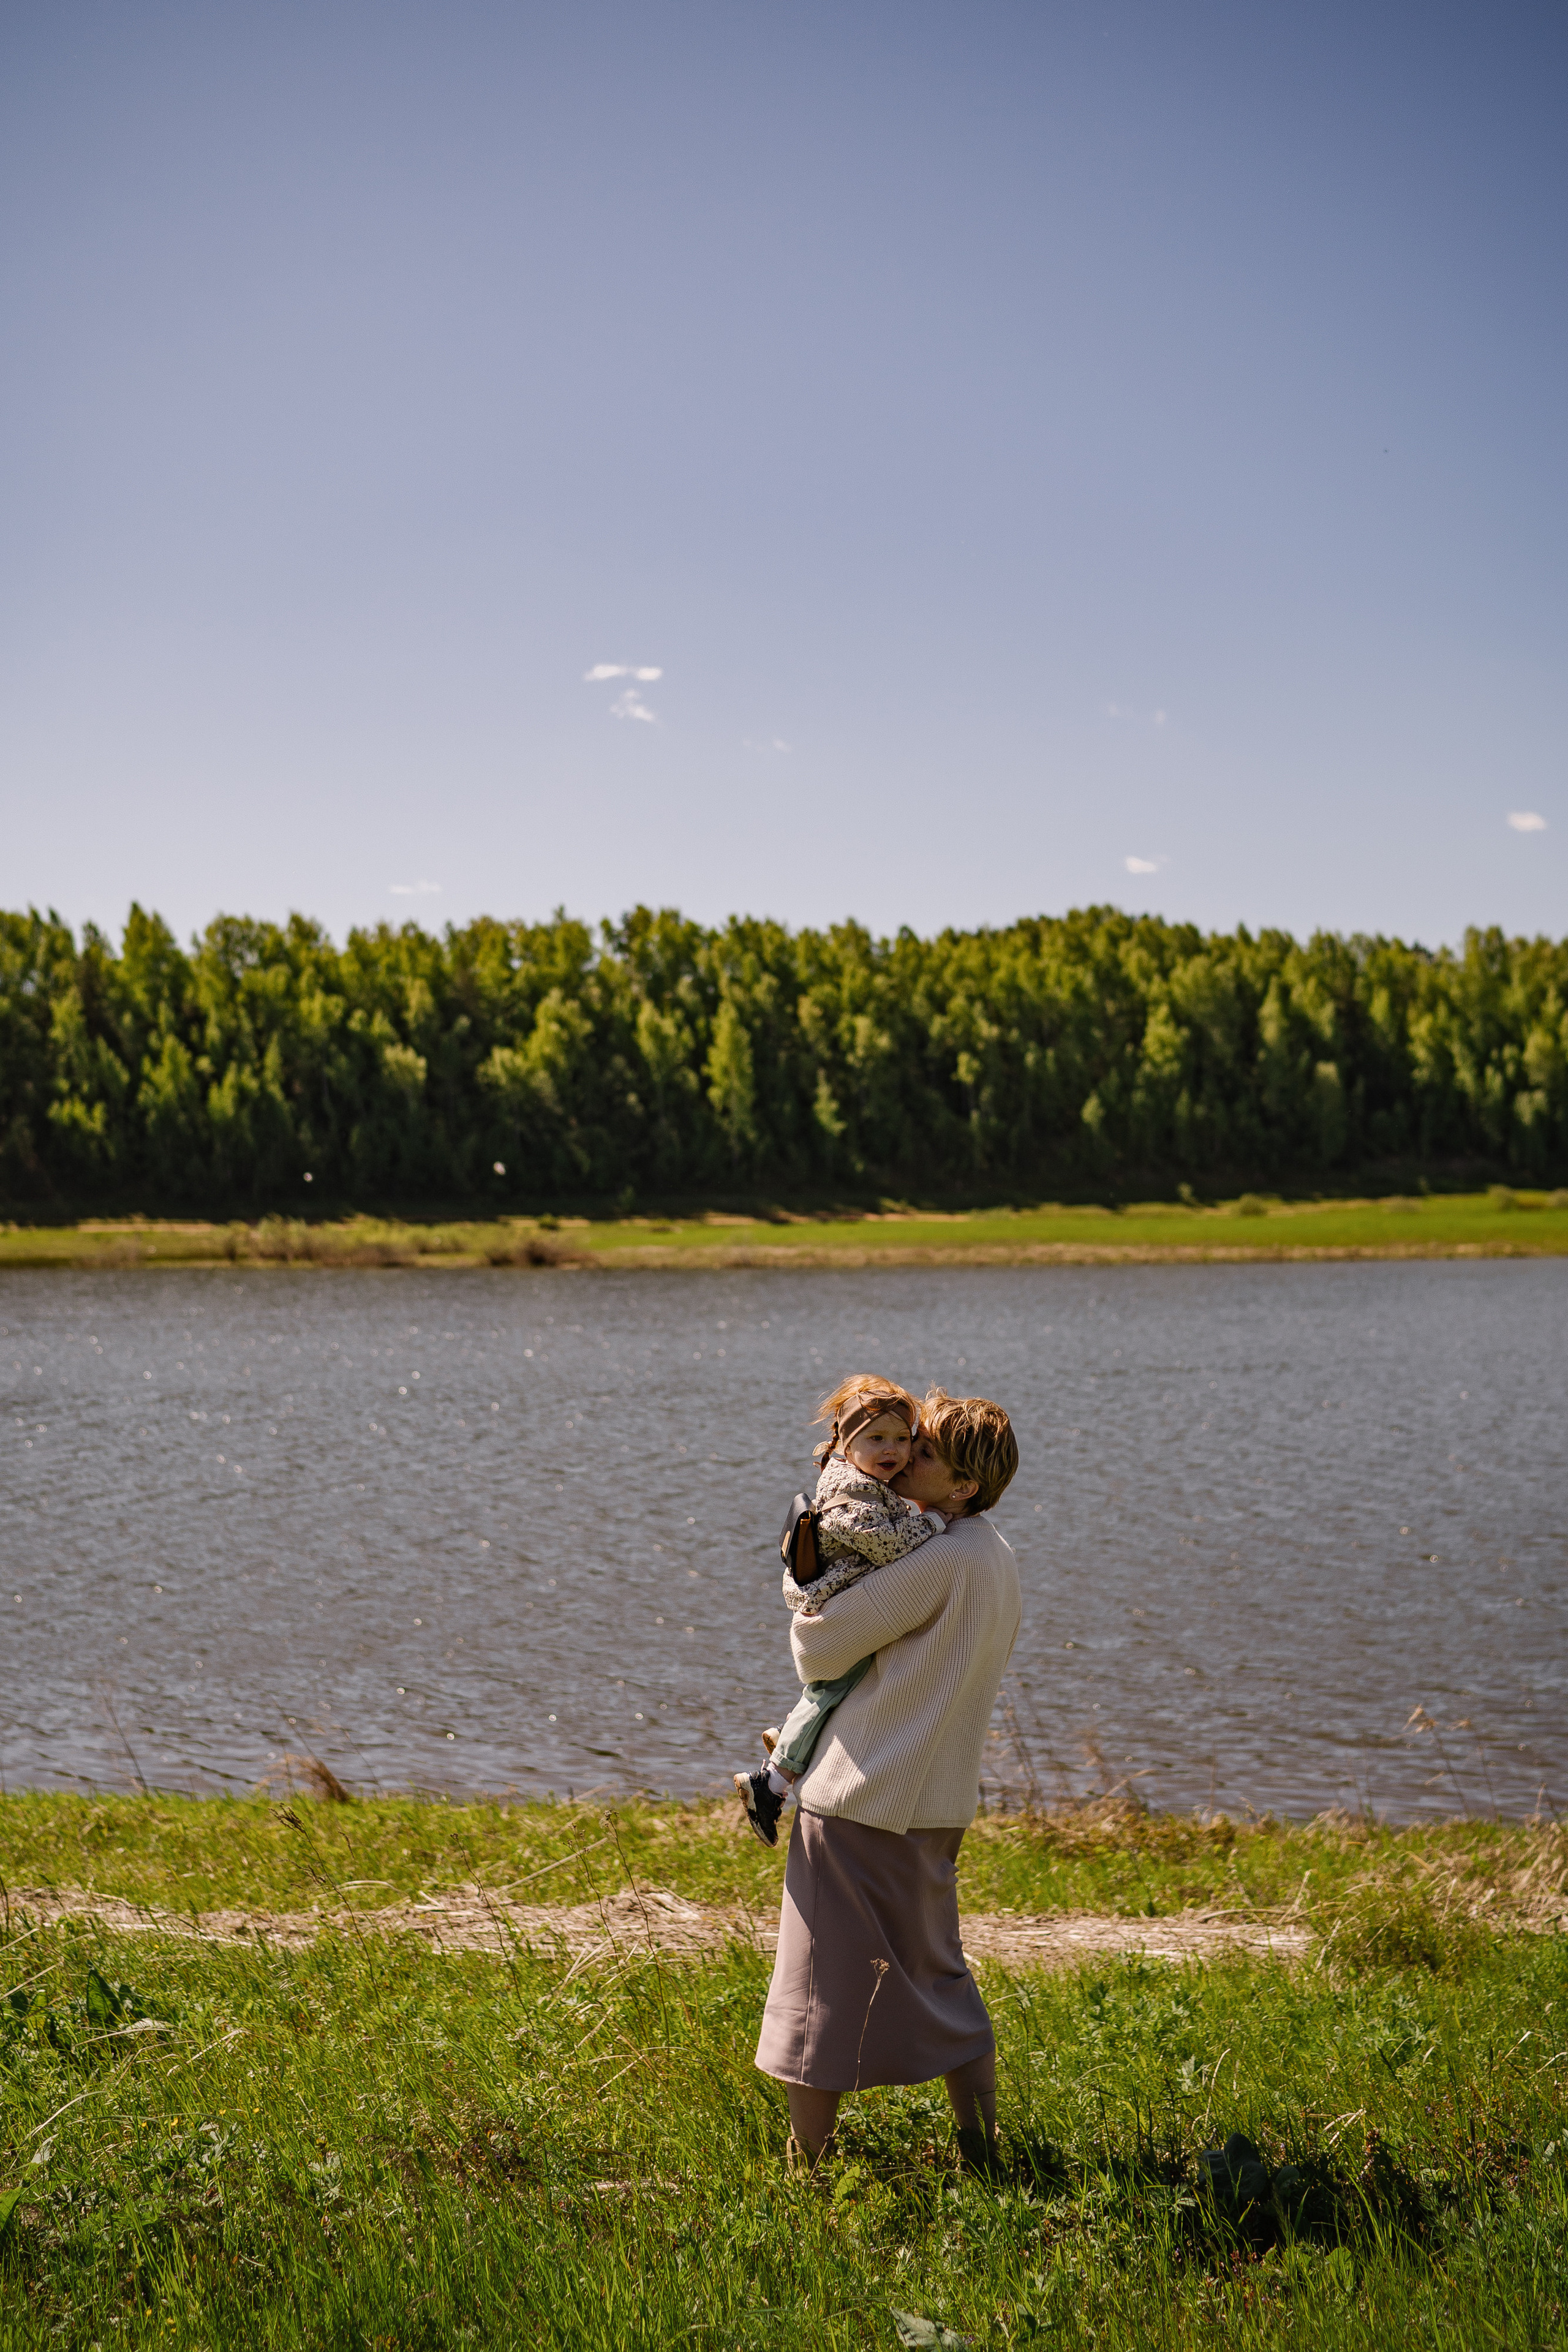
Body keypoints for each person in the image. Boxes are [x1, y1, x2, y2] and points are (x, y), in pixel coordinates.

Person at [753, 1387, 1022, 2177]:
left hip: (862, 1796)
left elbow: (819, 1650)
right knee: (939, 1971)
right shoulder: (993, 1554)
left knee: (818, 1989)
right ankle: (982, 2151)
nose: (905, 1456)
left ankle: (807, 2168)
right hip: (935, 1803)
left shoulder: (936, 1560)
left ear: (963, 1486)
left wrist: (803, 1583)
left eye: (927, 1452)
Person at [733, 1375, 953, 1848]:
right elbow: (891, 1545)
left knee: (835, 1688)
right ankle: (770, 1783)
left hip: (841, 1591)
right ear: (848, 1441)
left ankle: (791, 1737)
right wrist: (936, 1520)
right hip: (834, 1599)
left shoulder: (860, 1475)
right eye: (876, 1438)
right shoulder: (851, 1492)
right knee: (839, 1686)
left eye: (901, 1439)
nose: (892, 1450)